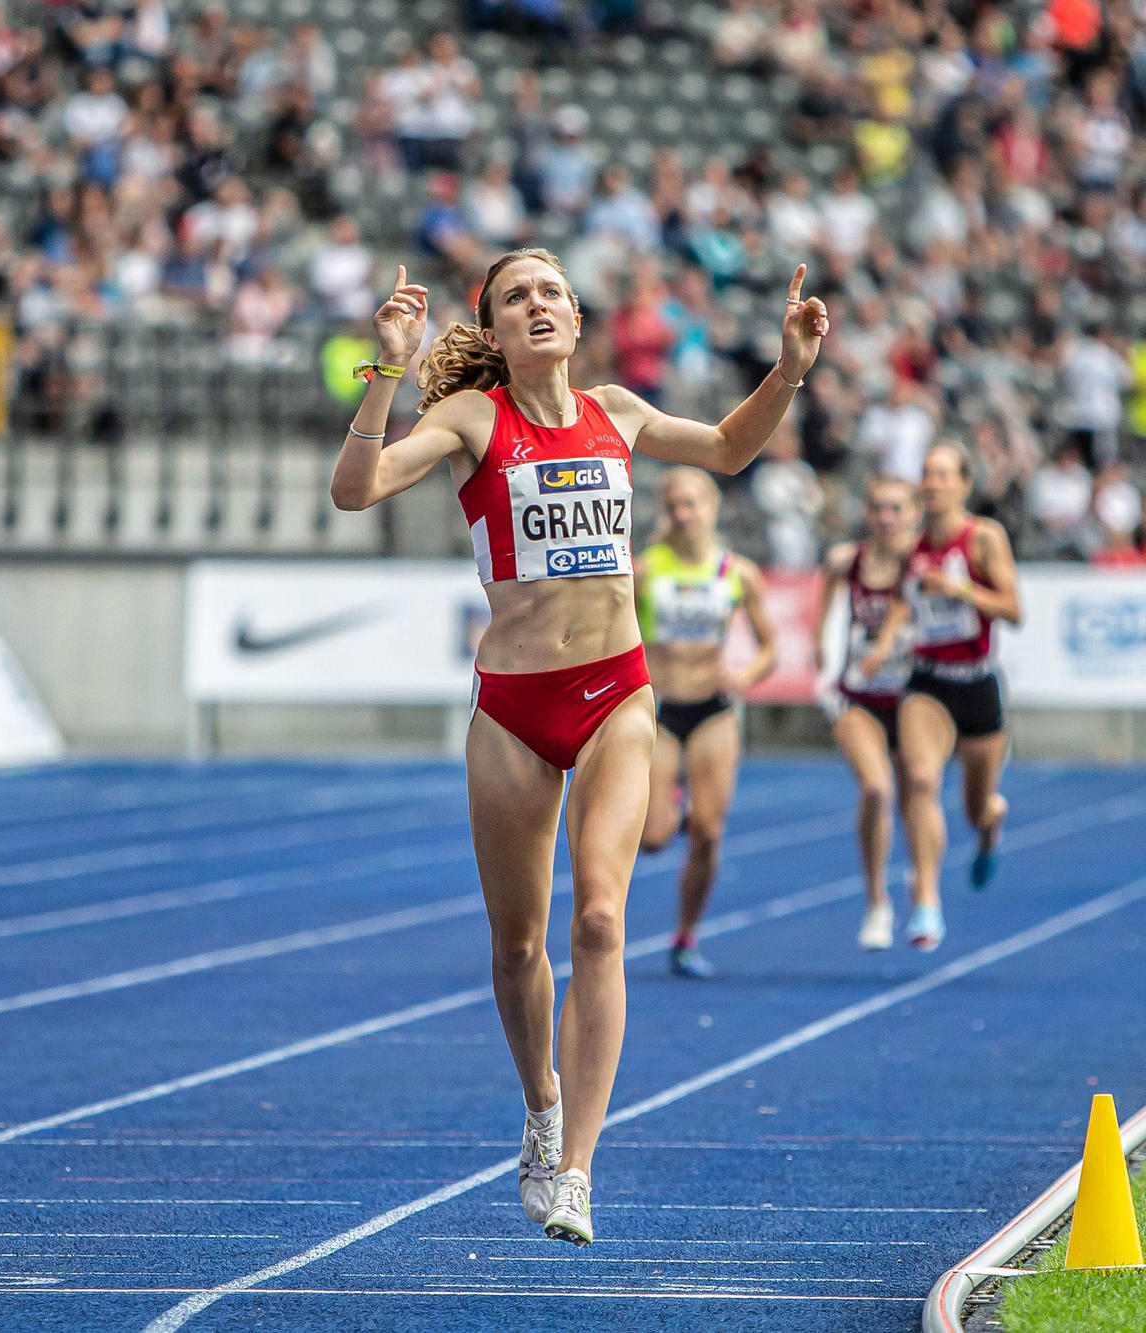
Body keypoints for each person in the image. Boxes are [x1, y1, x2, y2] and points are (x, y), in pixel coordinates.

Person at [331, 250, 826, 1247]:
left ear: (576, 314)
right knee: (517, 946)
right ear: (497, 332)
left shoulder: (618, 411)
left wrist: (788, 370)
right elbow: (357, 488)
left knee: (599, 918)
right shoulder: (473, 420)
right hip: (513, 707)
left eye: (550, 289)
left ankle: (575, 1170)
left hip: (614, 694)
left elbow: (730, 450)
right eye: (515, 296)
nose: (536, 303)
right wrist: (388, 368)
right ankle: (540, 1102)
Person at [860, 441, 1021, 951]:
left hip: (977, 683)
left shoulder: (983, 539)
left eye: (943, 475)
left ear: (964, 484)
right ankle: (926, 900)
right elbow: (904, 607)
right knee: (922, 781)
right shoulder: (913, 547)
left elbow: (1014, 609)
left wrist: (962, 592)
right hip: (926, 682)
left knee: (976, 808)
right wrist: (885, 644)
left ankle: (990, 824)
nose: (932, 483)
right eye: (927, 474)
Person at [635, 468, 776, 979]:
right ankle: (673, 800)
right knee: (652, 839)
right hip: (662, 709)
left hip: (714, 710)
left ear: (712, 509)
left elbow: (770, 649)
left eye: (692, 504)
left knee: (709, 835)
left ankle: (686, 937)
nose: (683, 514)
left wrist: (744, 676)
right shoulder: (646, 570)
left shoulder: (737, 573)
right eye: (674, 505)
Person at [815, 475, 920, 951]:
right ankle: (878, 901)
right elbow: (824, 620)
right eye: (879, 507)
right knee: (876, 789)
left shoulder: (923, 564)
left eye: (896, 508)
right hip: (858, 696)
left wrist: (894, 640)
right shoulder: (846, 562)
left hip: (915, 698)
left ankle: (923, 882)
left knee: (916, 793)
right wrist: (826, 655)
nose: (886, 517)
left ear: (912, 514)